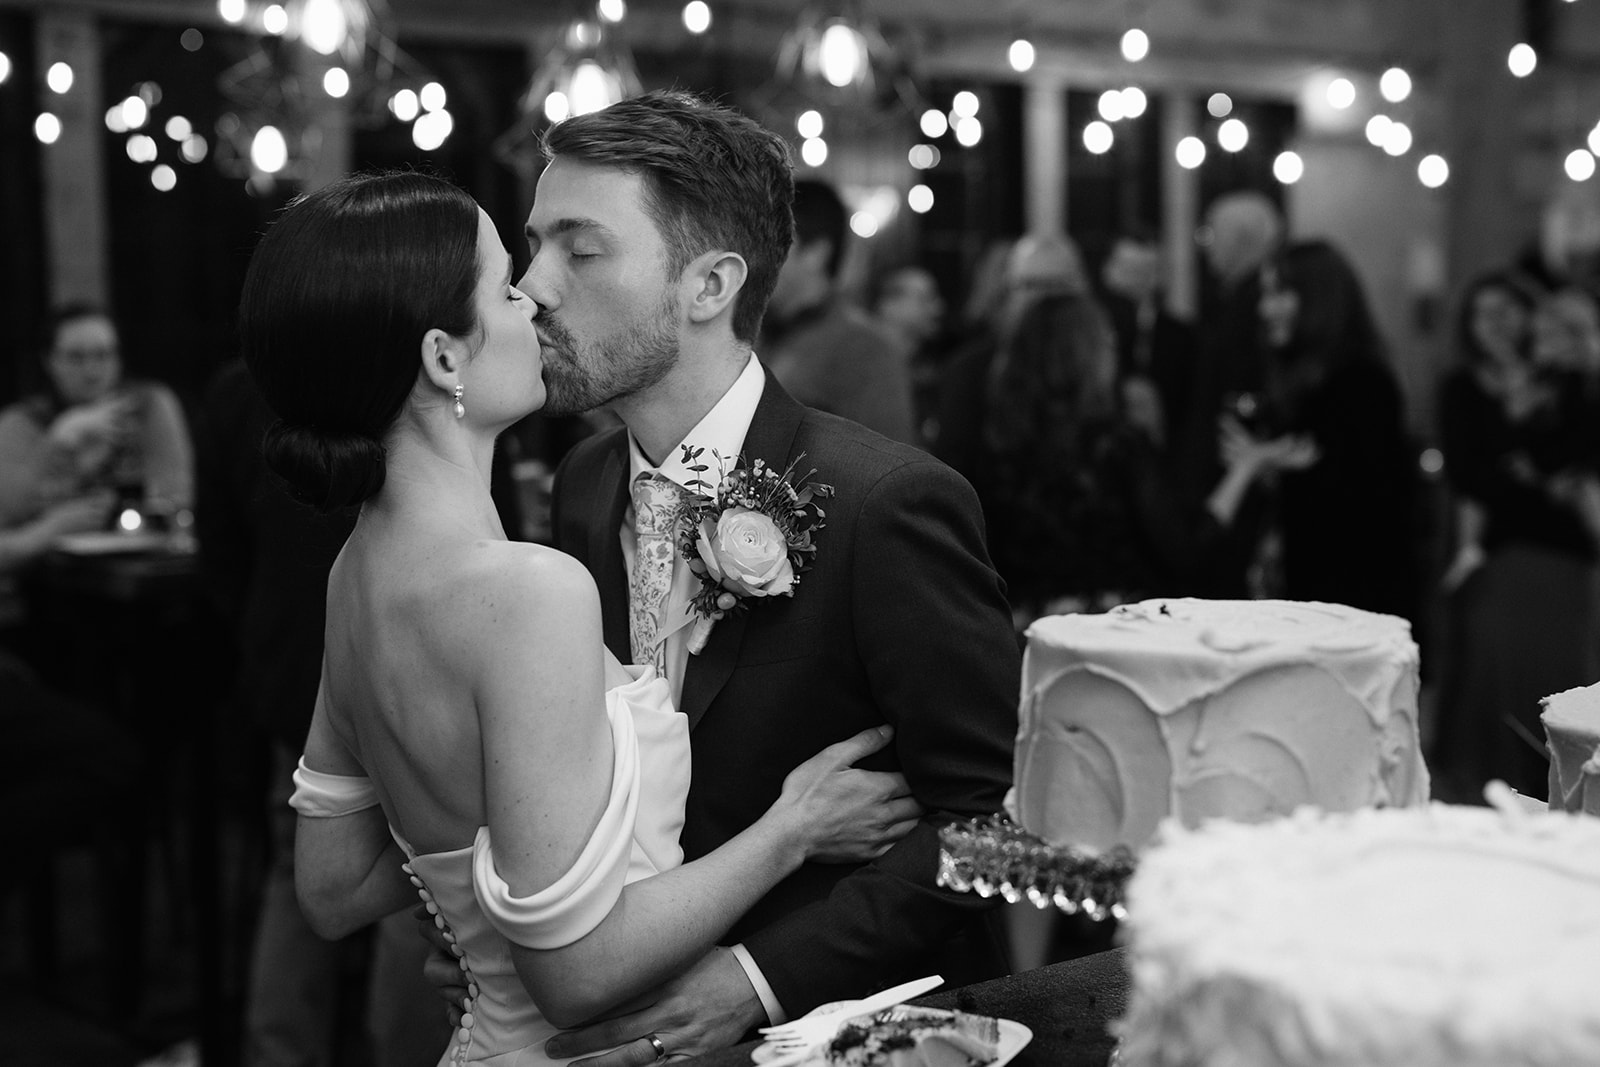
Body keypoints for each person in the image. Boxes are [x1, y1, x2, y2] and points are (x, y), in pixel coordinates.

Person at [237, 169, 920, 1067]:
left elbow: (333, 885)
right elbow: (574, 975)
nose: (534, 298)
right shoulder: (533, 591)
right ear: (445, 358)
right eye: (503, 285)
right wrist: (789, 832)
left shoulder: (354, 574)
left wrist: (487, 930)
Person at [524, 91, 1019, 1064]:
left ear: (709, 285)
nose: (532, 285)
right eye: (533, 245)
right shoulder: (584, 486)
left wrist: (754, 976)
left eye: (578, 250)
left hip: (843, 1028)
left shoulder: (884, 503)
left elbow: (1005, 821)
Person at [194, 359, 450, 1067]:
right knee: (421, 886)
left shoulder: (248, 382)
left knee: (308, 873)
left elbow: (217, 549)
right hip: (409, 665)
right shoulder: (412, 362)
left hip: (298, 662)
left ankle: (280, 1051)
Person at [1435, 273, 1600, 799]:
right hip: (1500, 548)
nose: (1497, 324)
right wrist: (1541, 483)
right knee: (1494, 671)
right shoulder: (1465, 388)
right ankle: (1495, 785)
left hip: (1562, 552)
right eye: (1483, 313)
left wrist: (1538, 476)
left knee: (1558, 668)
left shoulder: (1566, 377)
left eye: (1508, 309)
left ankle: (1558, 783)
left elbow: (1572, 455)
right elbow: (1472, 475)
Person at [0, 304, 193, 529]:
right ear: (49, 360)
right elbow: (8, 512)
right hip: (51, 559)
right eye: (75, 357)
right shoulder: (21, 421)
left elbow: (178, 495)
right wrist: (57, 442)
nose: (91, 371)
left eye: (103, 355)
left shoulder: (149, 406)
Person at [762, 179, 918, 444]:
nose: (756, 258)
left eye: (770, 243)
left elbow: (894, 474)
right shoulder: (748, 333)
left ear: (815, 253)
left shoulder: (866, 351)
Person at [867, 264, 947, 445]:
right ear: (889, 305)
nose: (938, 308)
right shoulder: (865, 366)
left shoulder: (924, 371)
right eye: (926, 299)